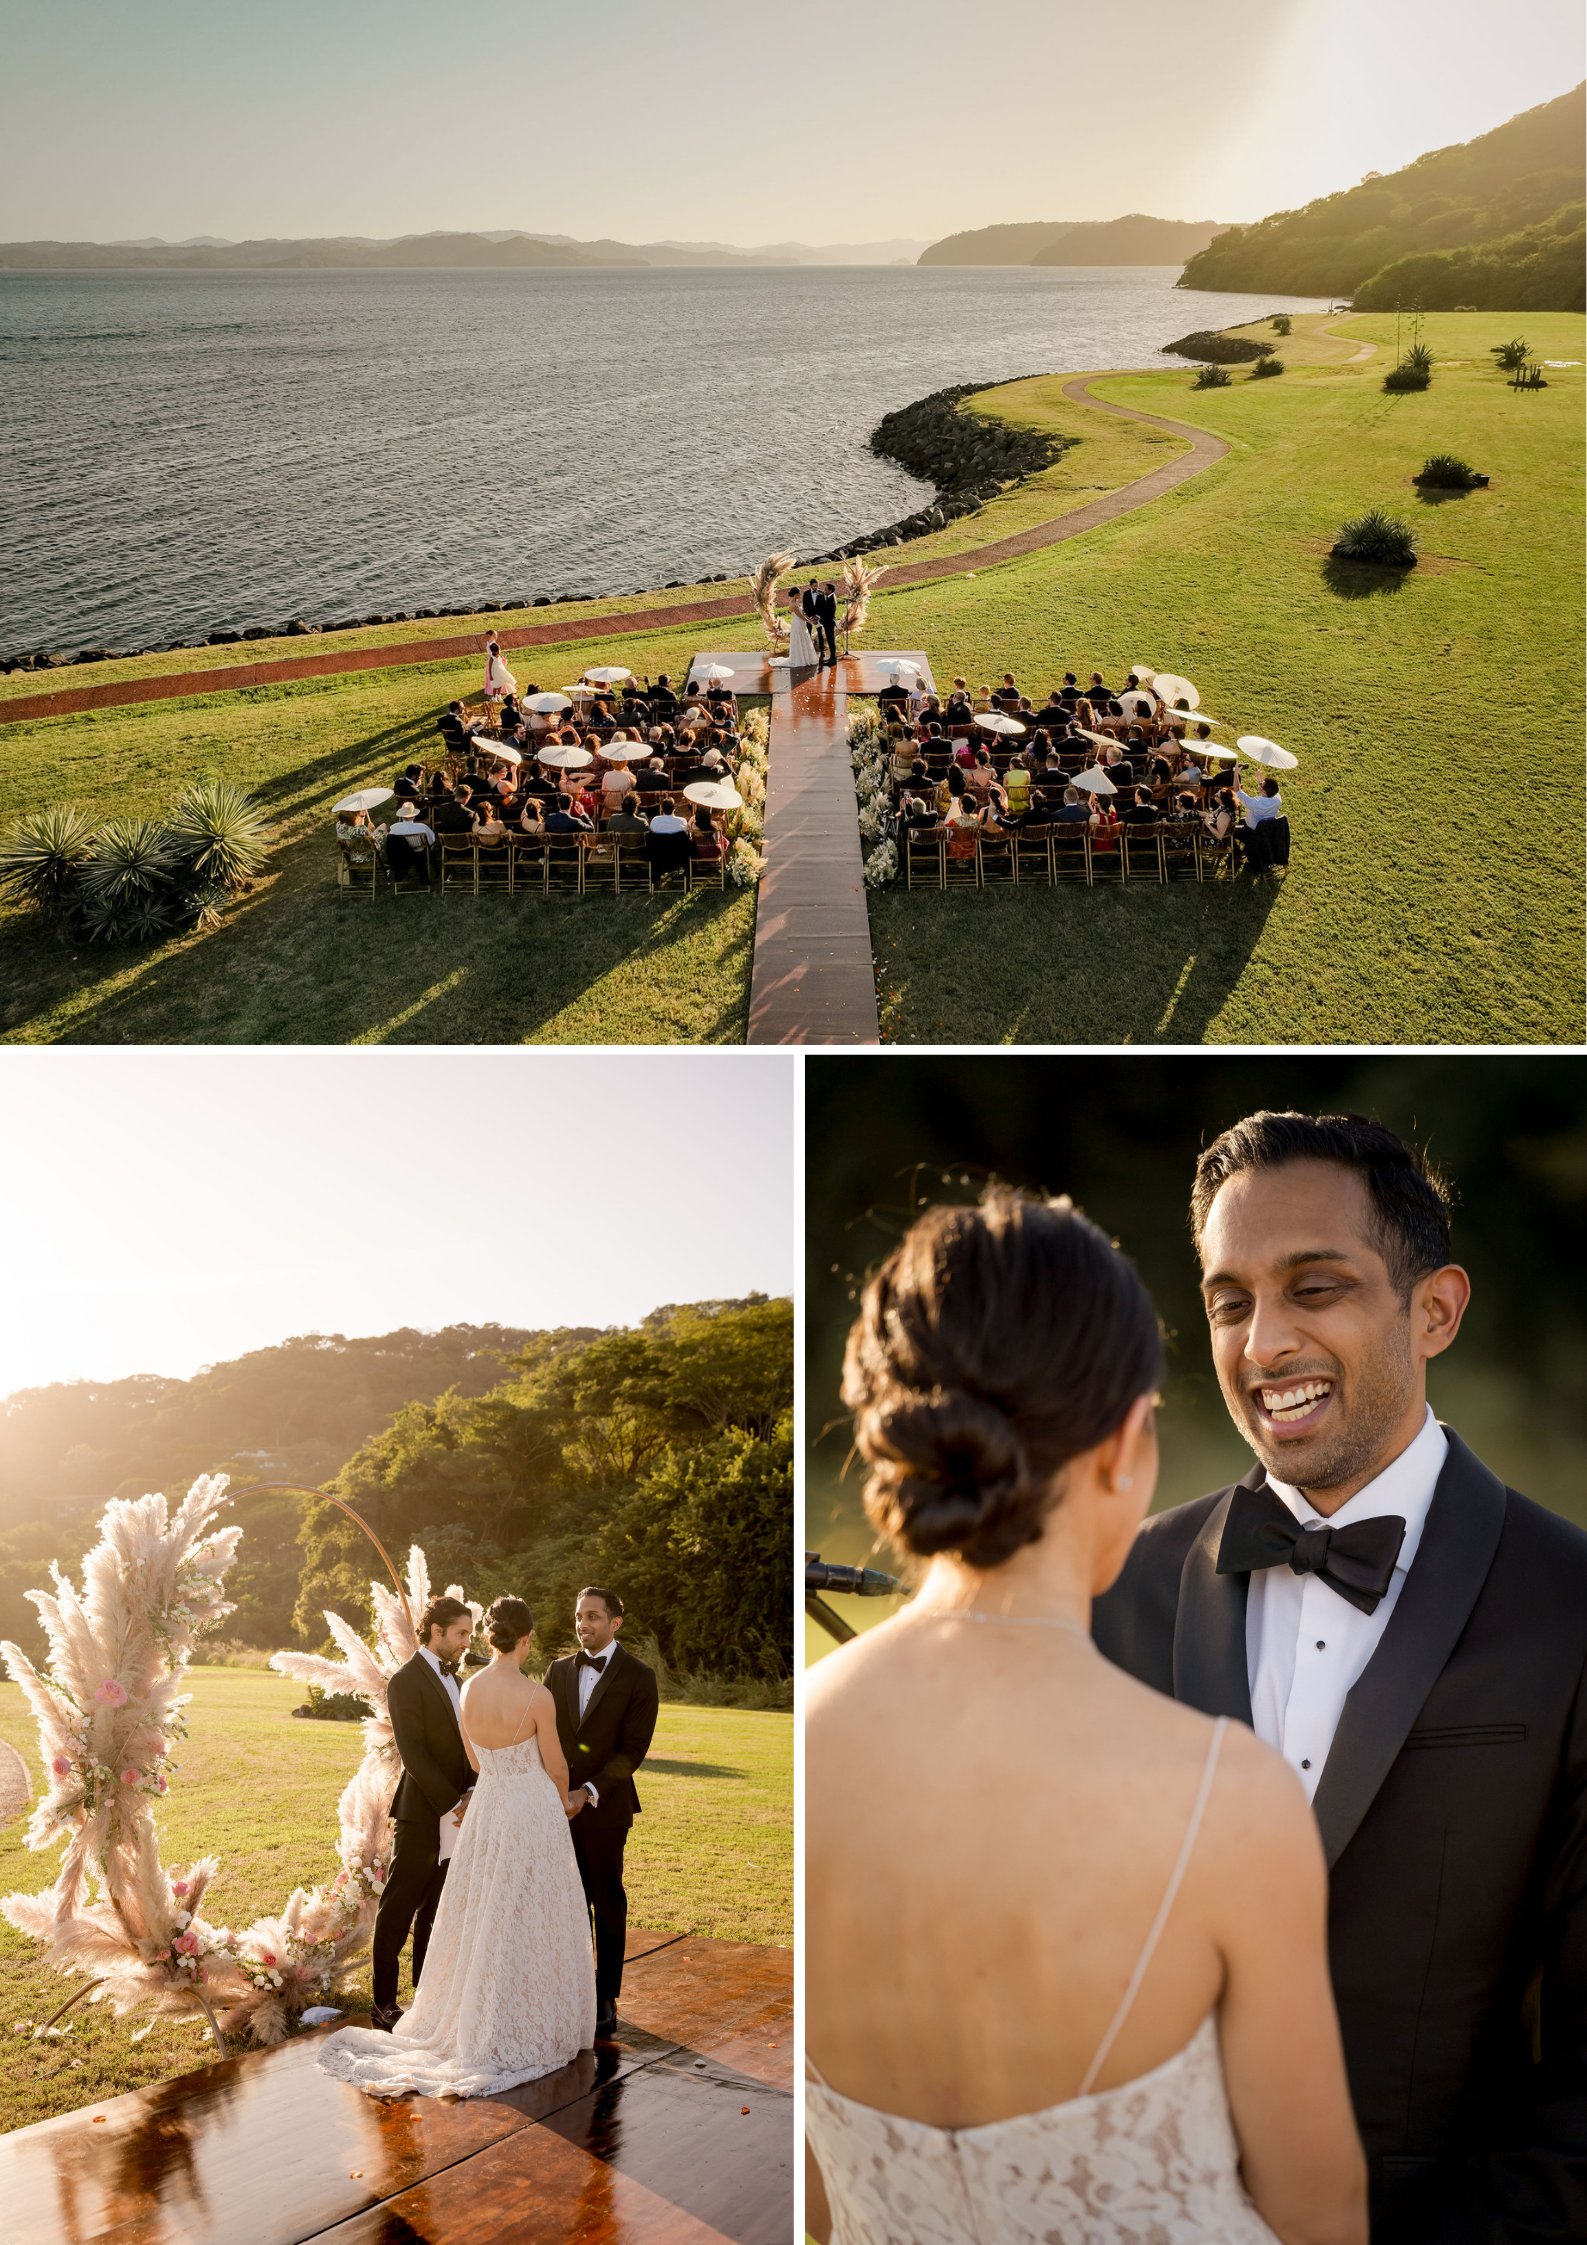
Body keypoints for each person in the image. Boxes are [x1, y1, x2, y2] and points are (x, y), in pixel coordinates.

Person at [807, 1190, 1367, 2245]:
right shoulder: (1228, 1797)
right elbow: (1321, 2209)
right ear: (1120, 1444)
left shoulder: (808, 1737)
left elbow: (813, 2204)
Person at [1093, 1113, 1587, 2244]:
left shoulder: (1571, 1610)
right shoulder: (1119, 1590)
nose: (1263, 1344)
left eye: (1315, 1288)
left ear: (1435, 1309)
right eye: (1230, 1300)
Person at [318, 1596, 594, 2098]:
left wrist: (493, 1782)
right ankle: (524, 2017)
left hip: (489, 1805)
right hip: (528, 1808)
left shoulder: (467, 1689)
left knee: (479, 1906)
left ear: (489, 1637)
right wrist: (560, 1804)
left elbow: (474, 1755)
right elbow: (557, 1767)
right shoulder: (537, 1696)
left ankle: (473, 2009)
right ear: (526, 1639)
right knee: (528, 1909)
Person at [544, 1587, 660, 2038]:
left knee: (606, 1900)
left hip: (605, 1808)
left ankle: (605, 1996)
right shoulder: (555, 1671)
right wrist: (556, 1792)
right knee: (565, 1902)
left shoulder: (639, 1676)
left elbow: (633, 1749)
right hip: (555, 1809)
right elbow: (544, 1735)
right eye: (578, 1616)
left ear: (616, 1622)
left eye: (592, 1616)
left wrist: (586, 1791)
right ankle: (568, 1990)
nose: (583, 1624)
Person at [359, 1597, 477, 2034]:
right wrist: (452, 1801)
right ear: (437, 1631)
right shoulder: (405, 1682)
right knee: (399, 1905)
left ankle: (425, 1999)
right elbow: (414, 1753)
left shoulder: (459, 1680)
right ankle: (384, 2003)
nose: (467, 1641)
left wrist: (472, 1790)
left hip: (459, 1808)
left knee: (435, 1908)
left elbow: (468, 1745)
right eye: (461, 1633)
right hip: (422, 1810)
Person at [785, 588, 819, 674]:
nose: (800, 595)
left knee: (804, 638)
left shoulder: (797, 601)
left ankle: (805, 657)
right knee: (799, 639)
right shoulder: (792, 603)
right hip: (797, 623)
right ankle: (799, 659)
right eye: (799, 594)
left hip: (802, 623)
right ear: (795, 594)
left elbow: (803, 613)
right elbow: (799, 615)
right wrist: (809, 621)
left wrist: (809, 618)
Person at [815, 581, 839, 667]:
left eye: (825, 589)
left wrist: (819, 618)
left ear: (830, 591)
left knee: (831, 641)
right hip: (828, 622)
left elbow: (827, 613)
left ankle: (833, 660)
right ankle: (832, 658)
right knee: (830, 641)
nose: (824, 590)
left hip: (829, 623)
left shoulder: (831, 600)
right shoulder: (830, 596)